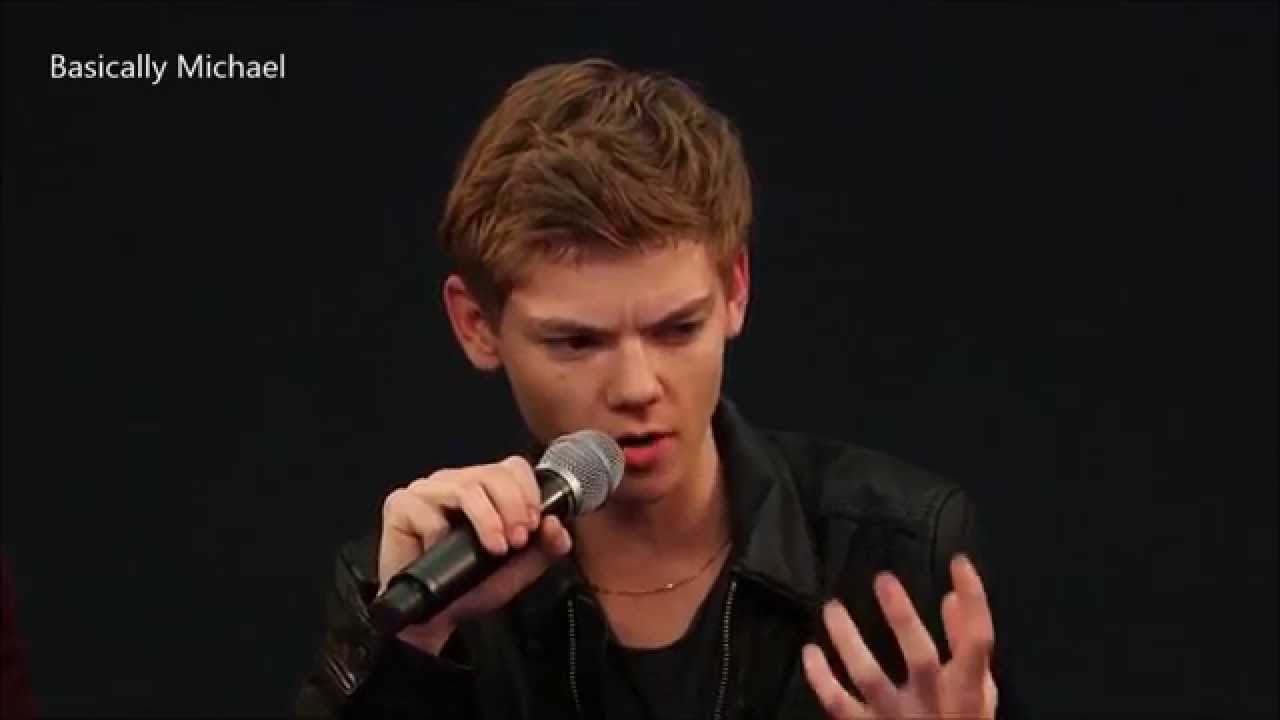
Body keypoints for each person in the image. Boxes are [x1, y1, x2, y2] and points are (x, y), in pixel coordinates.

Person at [295, 57, 1024, 719]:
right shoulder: (410, 582)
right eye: (576, 342)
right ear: (476, 325)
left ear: (735, 290)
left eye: (678, 329)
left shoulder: (896, 546)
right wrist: (411, 652)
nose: (637, 388)